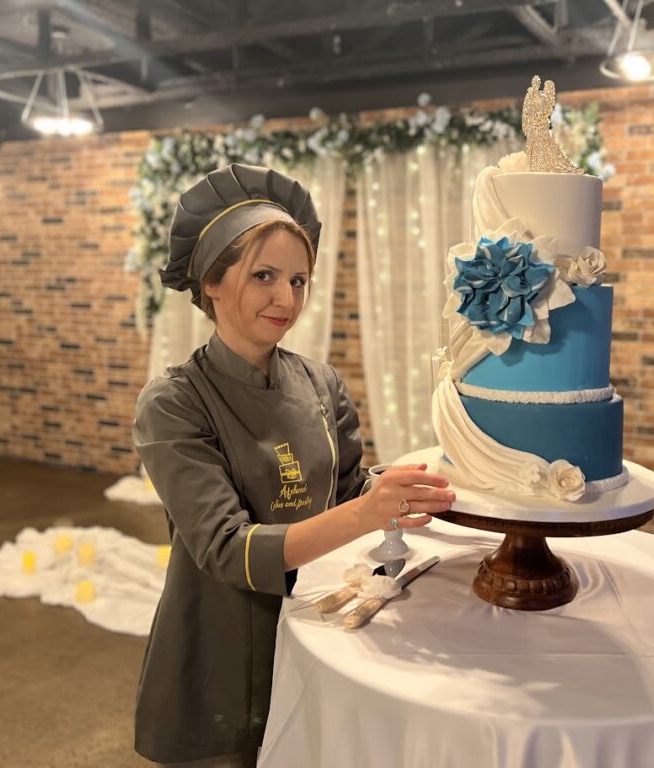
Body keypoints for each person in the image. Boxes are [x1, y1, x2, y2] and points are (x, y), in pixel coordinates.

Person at [131, 163, 455, 767]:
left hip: (320, 626)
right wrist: (366, 511)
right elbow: (229, 549)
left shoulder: (319, 381)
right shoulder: (175, 402)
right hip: (223, 648)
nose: (288, 299)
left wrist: (415, 484)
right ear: (212, 285)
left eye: (300, 280)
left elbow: (351, 487)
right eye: (264, 277)